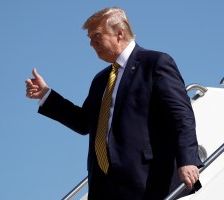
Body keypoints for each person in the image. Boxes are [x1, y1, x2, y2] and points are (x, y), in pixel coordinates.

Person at [25, 7, 203, 200]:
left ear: (120, 33)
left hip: (148, 180)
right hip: (106, 186)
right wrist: (46, 95)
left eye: (96, 36)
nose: (91, 43)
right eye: (90, 38)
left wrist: (188, 160)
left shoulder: (155, 62)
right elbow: (84, 122)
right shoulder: (101, 80)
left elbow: (181, 114)